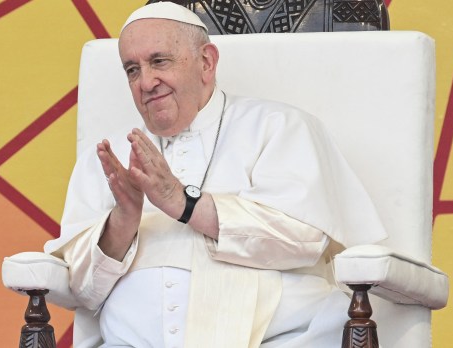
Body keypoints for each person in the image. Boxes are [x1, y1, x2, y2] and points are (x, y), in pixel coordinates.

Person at [44, 2, 387, 347]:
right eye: (132, 70)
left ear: (206, 62)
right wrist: (123, 220)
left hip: (280, 339)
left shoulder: (279, 127)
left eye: (159, 61)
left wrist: (186, 204)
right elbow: (81, 290)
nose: (146, 82)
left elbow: (304, 240)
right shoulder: (108, 157)